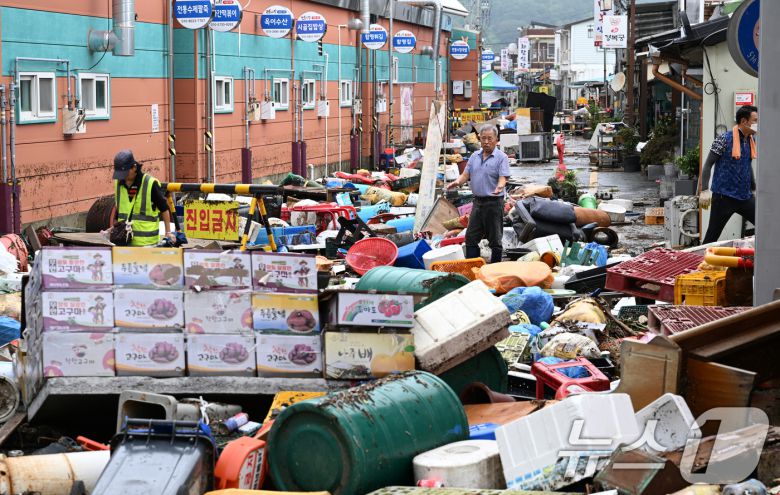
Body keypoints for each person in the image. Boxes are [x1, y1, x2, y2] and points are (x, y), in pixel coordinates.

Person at [446, 125, 511, 263]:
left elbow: (503, 177)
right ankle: (473, 266)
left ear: (496, 139)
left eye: (489, 138)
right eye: (483, 138)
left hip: (494, 203)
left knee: (495, 239)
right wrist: (457, 182)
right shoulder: (474, 156)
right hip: (477, 203)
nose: (486, 142)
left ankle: (495, 268)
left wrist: (500, 187)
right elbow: (465, 174)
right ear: (479, 139)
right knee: (471, 237)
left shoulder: (502, 157)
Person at [699, 105, 758, 244]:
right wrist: (704, 190)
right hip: (723, 197)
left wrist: (753, 188)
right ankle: (699, 257)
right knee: (712, 236)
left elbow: (747, 165)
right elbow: (708, 165)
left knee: (765, 224)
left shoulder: (751, 140)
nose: (758, 124)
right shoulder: (723, 139)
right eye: (755, 120)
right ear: (744, 121)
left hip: (745, 197)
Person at [111, 150, 175, 246]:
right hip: (124, 243)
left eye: (125, 174)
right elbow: (119, 211)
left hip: (147, 244)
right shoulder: (118, 184)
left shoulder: (150, 184)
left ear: (134, 168)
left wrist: (168, 233)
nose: (123, 177)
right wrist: (113, 229)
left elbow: (164, 209)